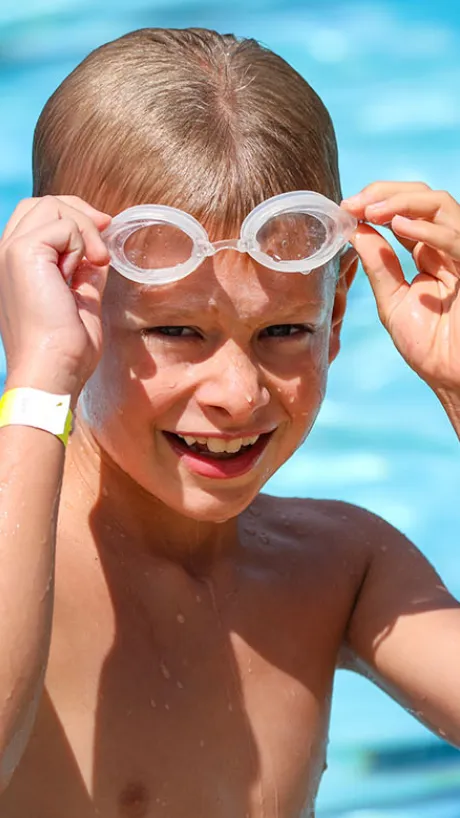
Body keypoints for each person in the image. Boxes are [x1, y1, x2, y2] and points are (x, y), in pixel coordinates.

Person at [0, 26, 459, 818]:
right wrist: (38, 376)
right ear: (71, 305)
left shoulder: (341, 570)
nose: (239, 394)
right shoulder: (19, 556)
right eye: (177, 332)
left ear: (337, 312)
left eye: (284, 332)